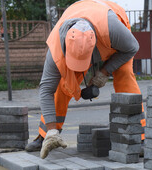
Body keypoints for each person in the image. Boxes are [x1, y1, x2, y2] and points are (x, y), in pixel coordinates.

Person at [26, 0, 145, 159]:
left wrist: (104, 71)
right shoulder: (55, 49)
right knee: (63, 85)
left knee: (124, 77)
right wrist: (51, 129)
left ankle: (139, 138)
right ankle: (48, 135)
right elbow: (46, 90)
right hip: (83, 19)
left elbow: (132, 48)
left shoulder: (113, 30)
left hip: (111, 25)